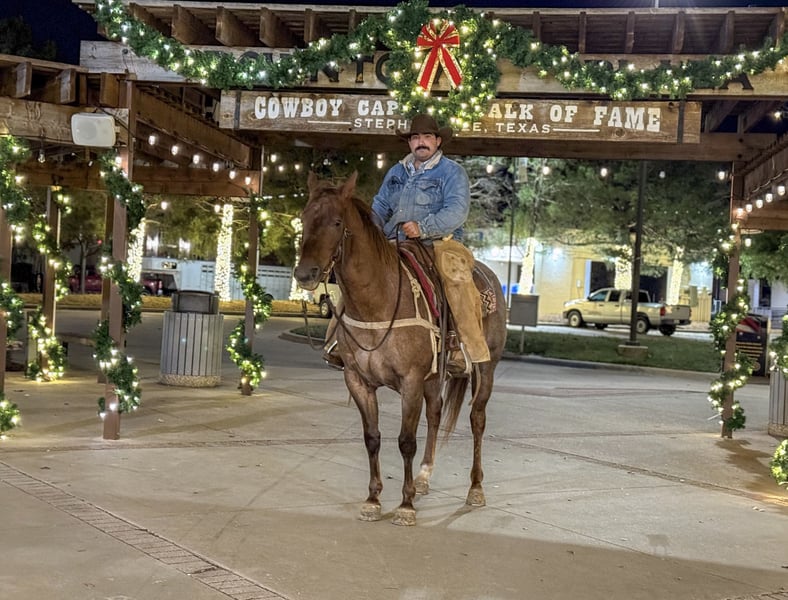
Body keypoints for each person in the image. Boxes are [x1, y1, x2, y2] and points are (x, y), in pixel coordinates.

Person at [323, 114, 489, 374]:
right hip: (394, 242)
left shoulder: (452, 172)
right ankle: (338, 339)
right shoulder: (397, 172)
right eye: (415, 137)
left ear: (437, 141)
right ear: (410, 142)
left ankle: (460, 346)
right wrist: (371, 233)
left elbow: (457, 211)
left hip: (439, 242)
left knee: (455, 278)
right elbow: (380, 206)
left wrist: (423, 227)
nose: (421, 142)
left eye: (427, 137)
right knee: (360, 276)